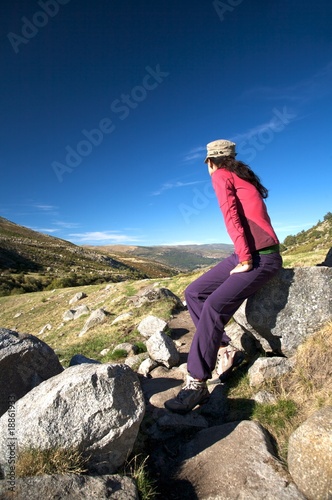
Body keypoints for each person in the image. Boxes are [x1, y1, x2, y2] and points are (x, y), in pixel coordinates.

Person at [165, 139, 282, 414]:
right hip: (252, 250)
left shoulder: (221, 175)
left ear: (209, 161)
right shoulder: (241, 175)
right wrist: (242, 254)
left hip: (260, 256)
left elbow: (231, 217)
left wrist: (244, 259)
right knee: (194, 292)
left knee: (215, 306)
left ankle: (196, 383)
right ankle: (225, 350)